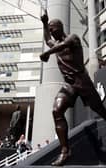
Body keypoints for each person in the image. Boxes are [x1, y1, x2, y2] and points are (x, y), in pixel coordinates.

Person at [40, 10, 106, 166]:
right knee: (57, 110)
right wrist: (44, 22)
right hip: (69, 85)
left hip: (82, 82)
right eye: (49, 29)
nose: (51, 32)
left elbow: (61, 45)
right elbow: (48, 40)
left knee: (101, 110)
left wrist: (47, 53)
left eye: (52, 28)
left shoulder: (73, 38)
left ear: (60, 27)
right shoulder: (54, 43)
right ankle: (65, 151)